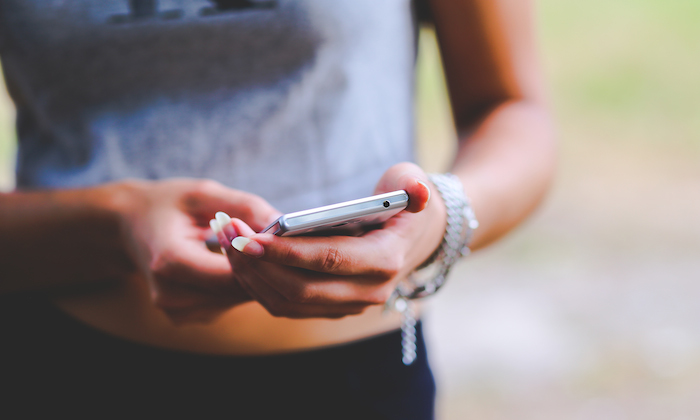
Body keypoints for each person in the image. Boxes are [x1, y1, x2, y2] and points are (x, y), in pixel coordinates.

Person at [0, 0, 554, 418]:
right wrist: (116, 221)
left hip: (358, 388)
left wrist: (439, 220)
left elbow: (510, 109)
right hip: (65, 369)